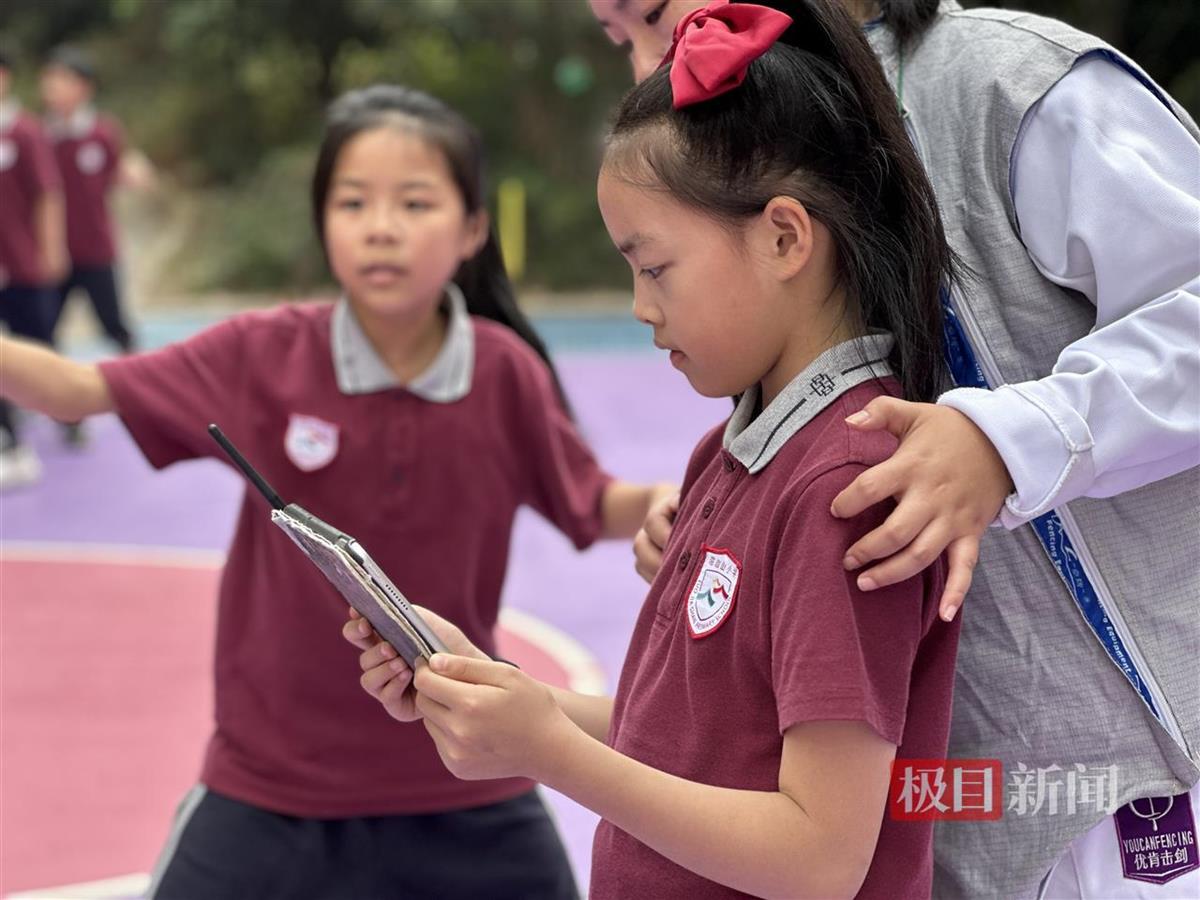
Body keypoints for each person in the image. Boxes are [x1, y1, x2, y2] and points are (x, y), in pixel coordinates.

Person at [0, 83, 671, 899]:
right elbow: (75, 390)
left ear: (472, 229)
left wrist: (660, 505)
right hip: (271, 784)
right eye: (353, 202)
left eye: (414, 202)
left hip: (467, 768)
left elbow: (592, 501)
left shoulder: (505, 374)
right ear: (323, 223)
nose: (380, 226)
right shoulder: (260, 354)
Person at [348, 4, 961, 896]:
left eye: (655, 267)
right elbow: (685, 740)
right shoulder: (733, 453)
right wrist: (497, 695)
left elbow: (820, 855)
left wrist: (550, 753)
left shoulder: (846, 486)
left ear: (785, 237)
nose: (640, 306)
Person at [592, 1, 1200, 896]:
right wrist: (728, 536)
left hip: (1108, 798)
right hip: (926, 800)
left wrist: (1011, 439)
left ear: (788, 234)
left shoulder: (1006, 83)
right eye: (616, 38)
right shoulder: (771, 152)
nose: (649, 57)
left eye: (650, 13)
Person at [40, 45, 151, 355]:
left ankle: (138, 378)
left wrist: (135, 171)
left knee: (114, 325)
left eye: (62, 79)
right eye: (49, 78)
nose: (53, 86)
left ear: (84, 87)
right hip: (53, 253)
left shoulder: (102, 132)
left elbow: (122, 168)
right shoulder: (40, 135)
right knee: (41, 330)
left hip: (95, 249)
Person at [0, 44, 67, 490]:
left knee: (39, 346)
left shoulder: (25, 131)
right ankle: (11, 445)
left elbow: (47, 193)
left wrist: (51, 248)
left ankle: (68, 414)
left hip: (23, 264)